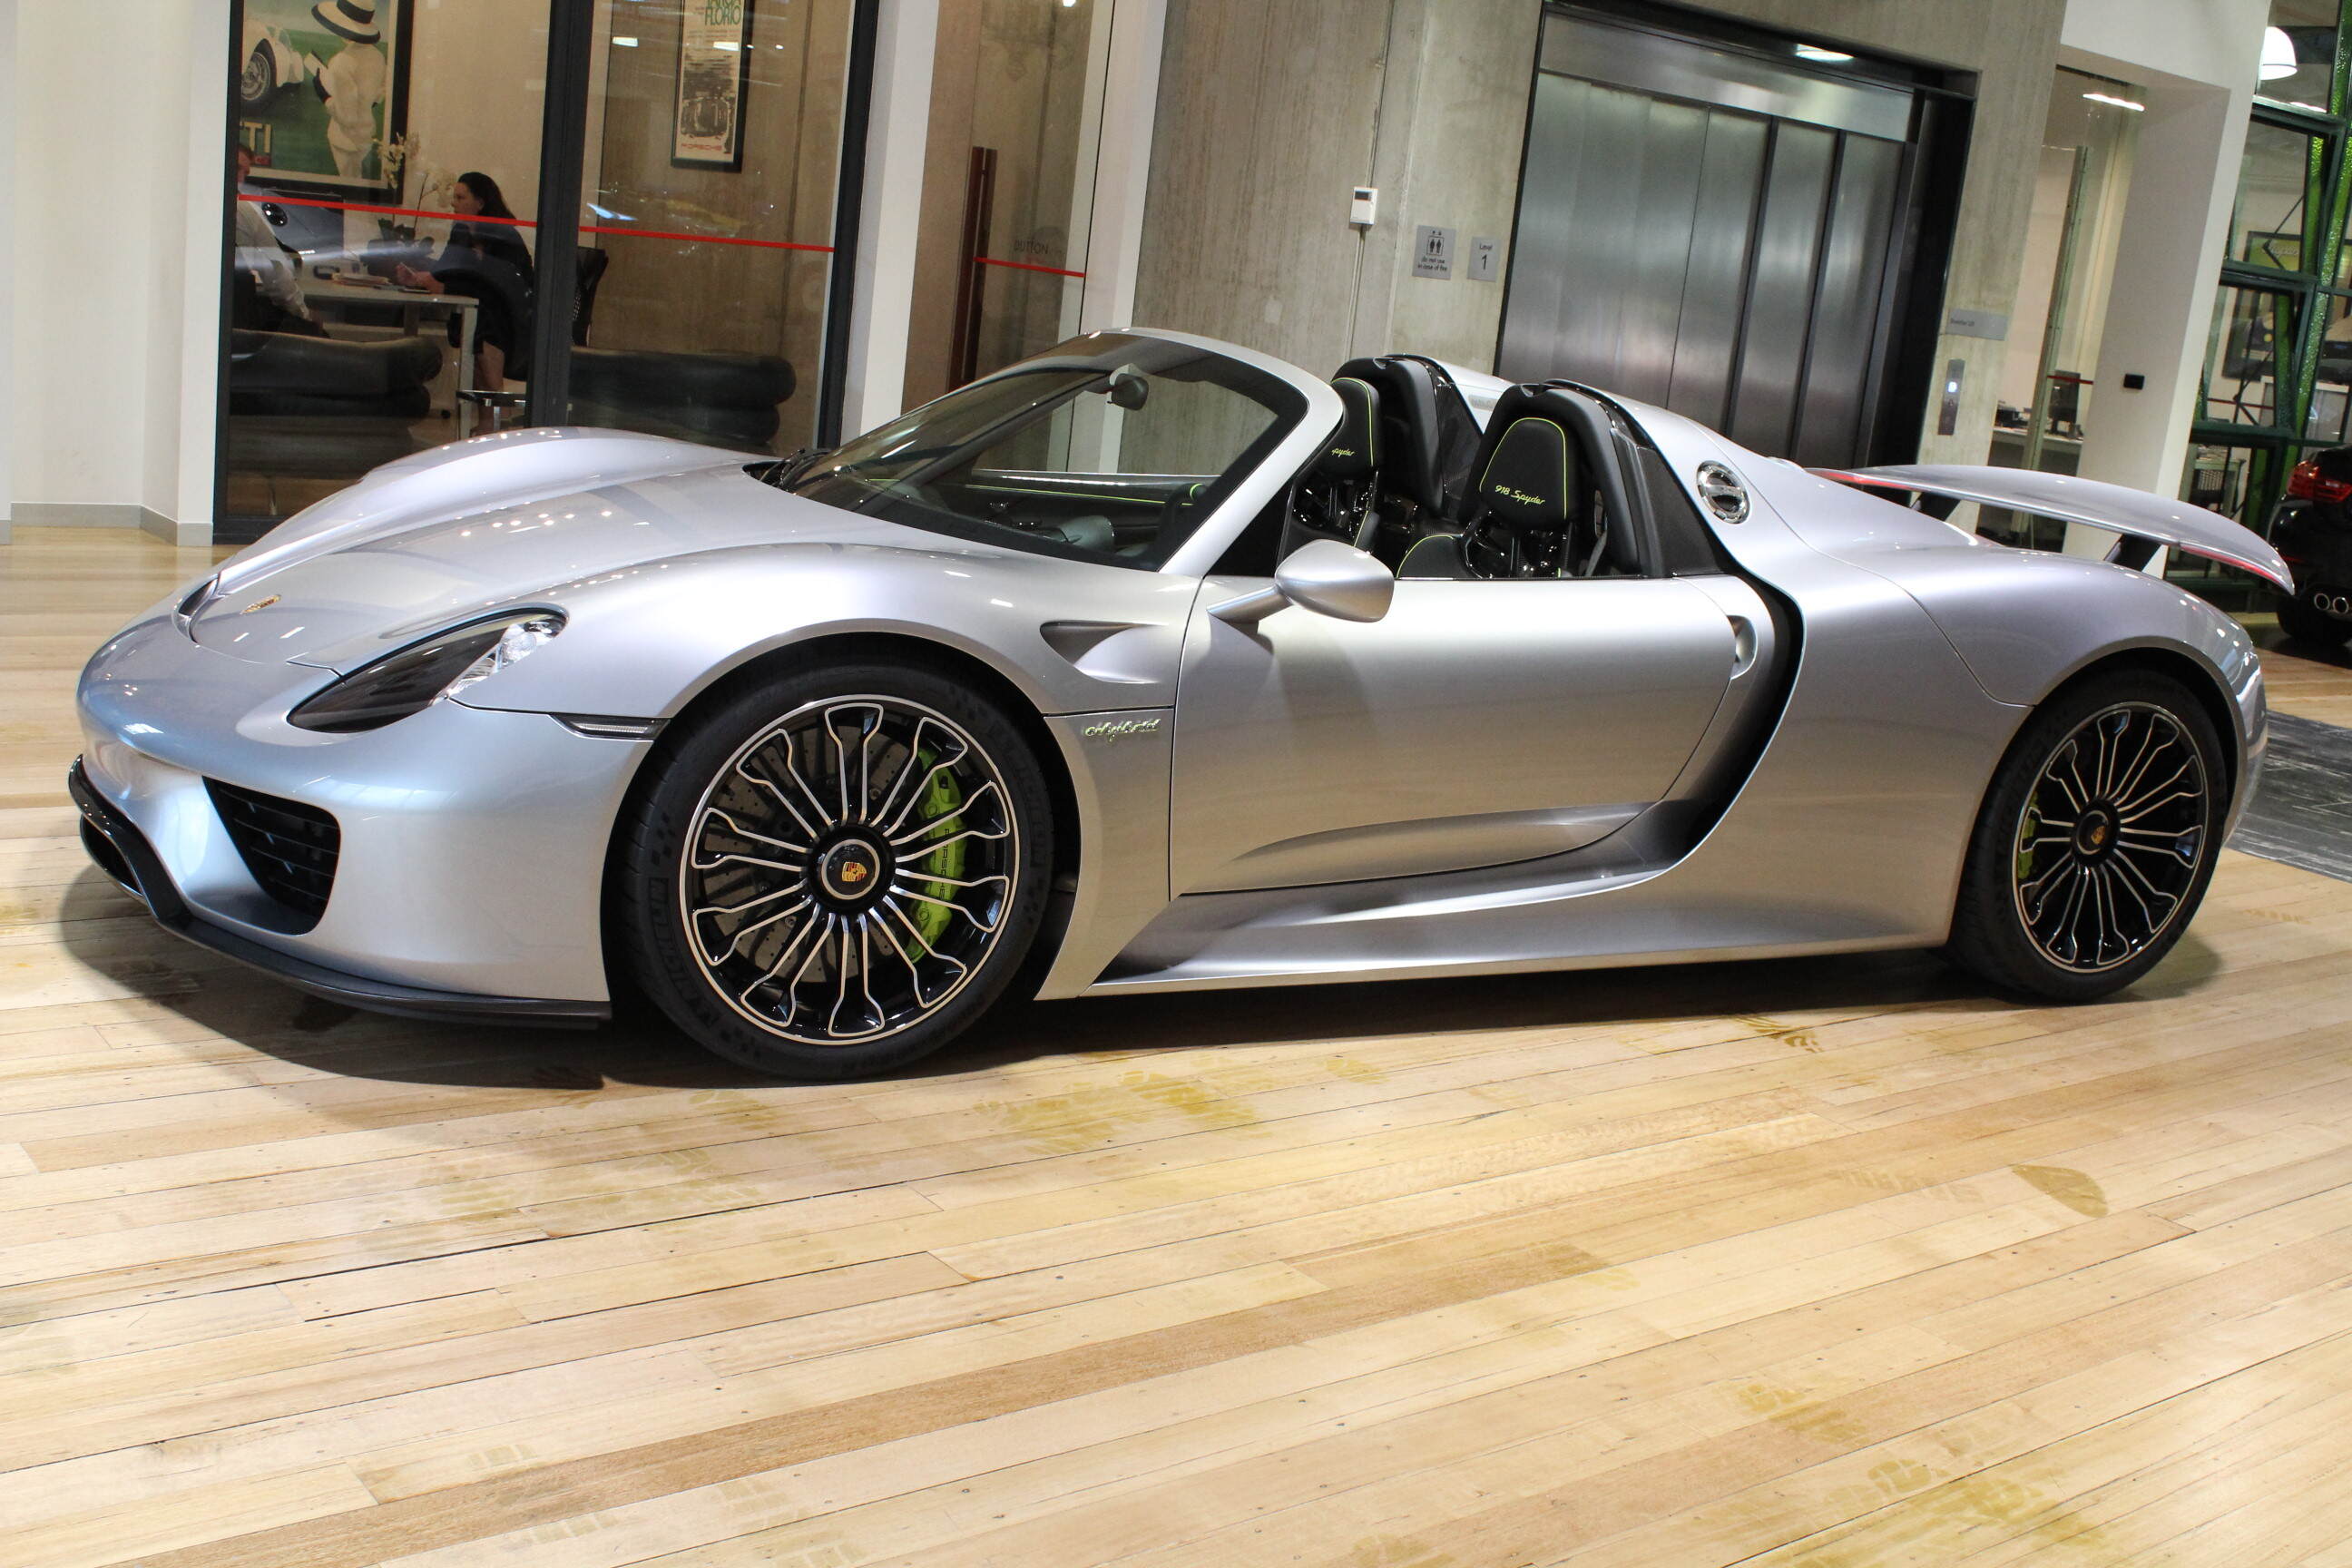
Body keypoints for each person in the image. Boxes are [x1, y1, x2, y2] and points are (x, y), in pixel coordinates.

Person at [394, 172, 534, 391]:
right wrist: (418, 277)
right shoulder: (461, 231)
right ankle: (488, 414)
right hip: (482, 308)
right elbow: (446, 269)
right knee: (479, 323)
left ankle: (495, 410)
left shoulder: (504, 236)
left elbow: (499, 286)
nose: (453, 204)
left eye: (460, 198)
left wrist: (444, 286)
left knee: (487, 326)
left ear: (480, 203)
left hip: (512, 312)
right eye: (454, 197)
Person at [231, 144, 323, 337]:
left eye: (245, 173)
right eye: (236, 168)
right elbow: (278, 276)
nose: (241, 179)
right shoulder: (243, 211)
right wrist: (305, 316)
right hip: (239, 326)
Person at [309, 1, 389, 183]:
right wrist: (366, 103)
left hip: (344, 141)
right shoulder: (377, 57)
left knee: (351, 188)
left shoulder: (341, 62)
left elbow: (347, 118)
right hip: (367, 135)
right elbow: (381, 91)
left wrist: (324, 94)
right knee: (360, 185)